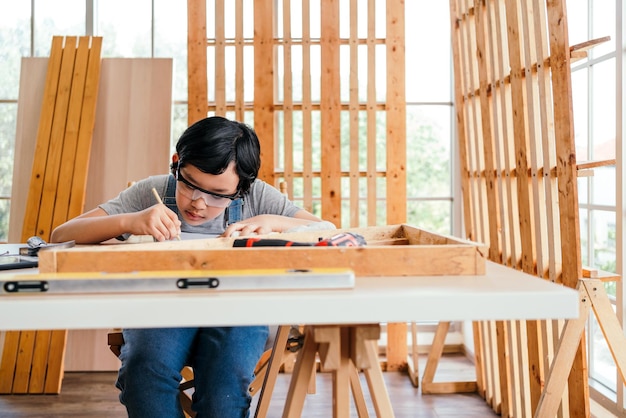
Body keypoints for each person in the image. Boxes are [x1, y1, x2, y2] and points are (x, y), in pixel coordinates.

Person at [50, 116, 325, 418]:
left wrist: (273, 222)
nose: (198, 203)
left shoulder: (257, 197)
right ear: (176, 163)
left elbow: (329, 231)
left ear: (242, 187)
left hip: (241, 311)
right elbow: (61, 235)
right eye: (190, 184)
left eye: (217, 195)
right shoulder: (153, 191)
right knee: (143, 376)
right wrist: (129, 221)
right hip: (163, 308)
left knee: (225, 391)